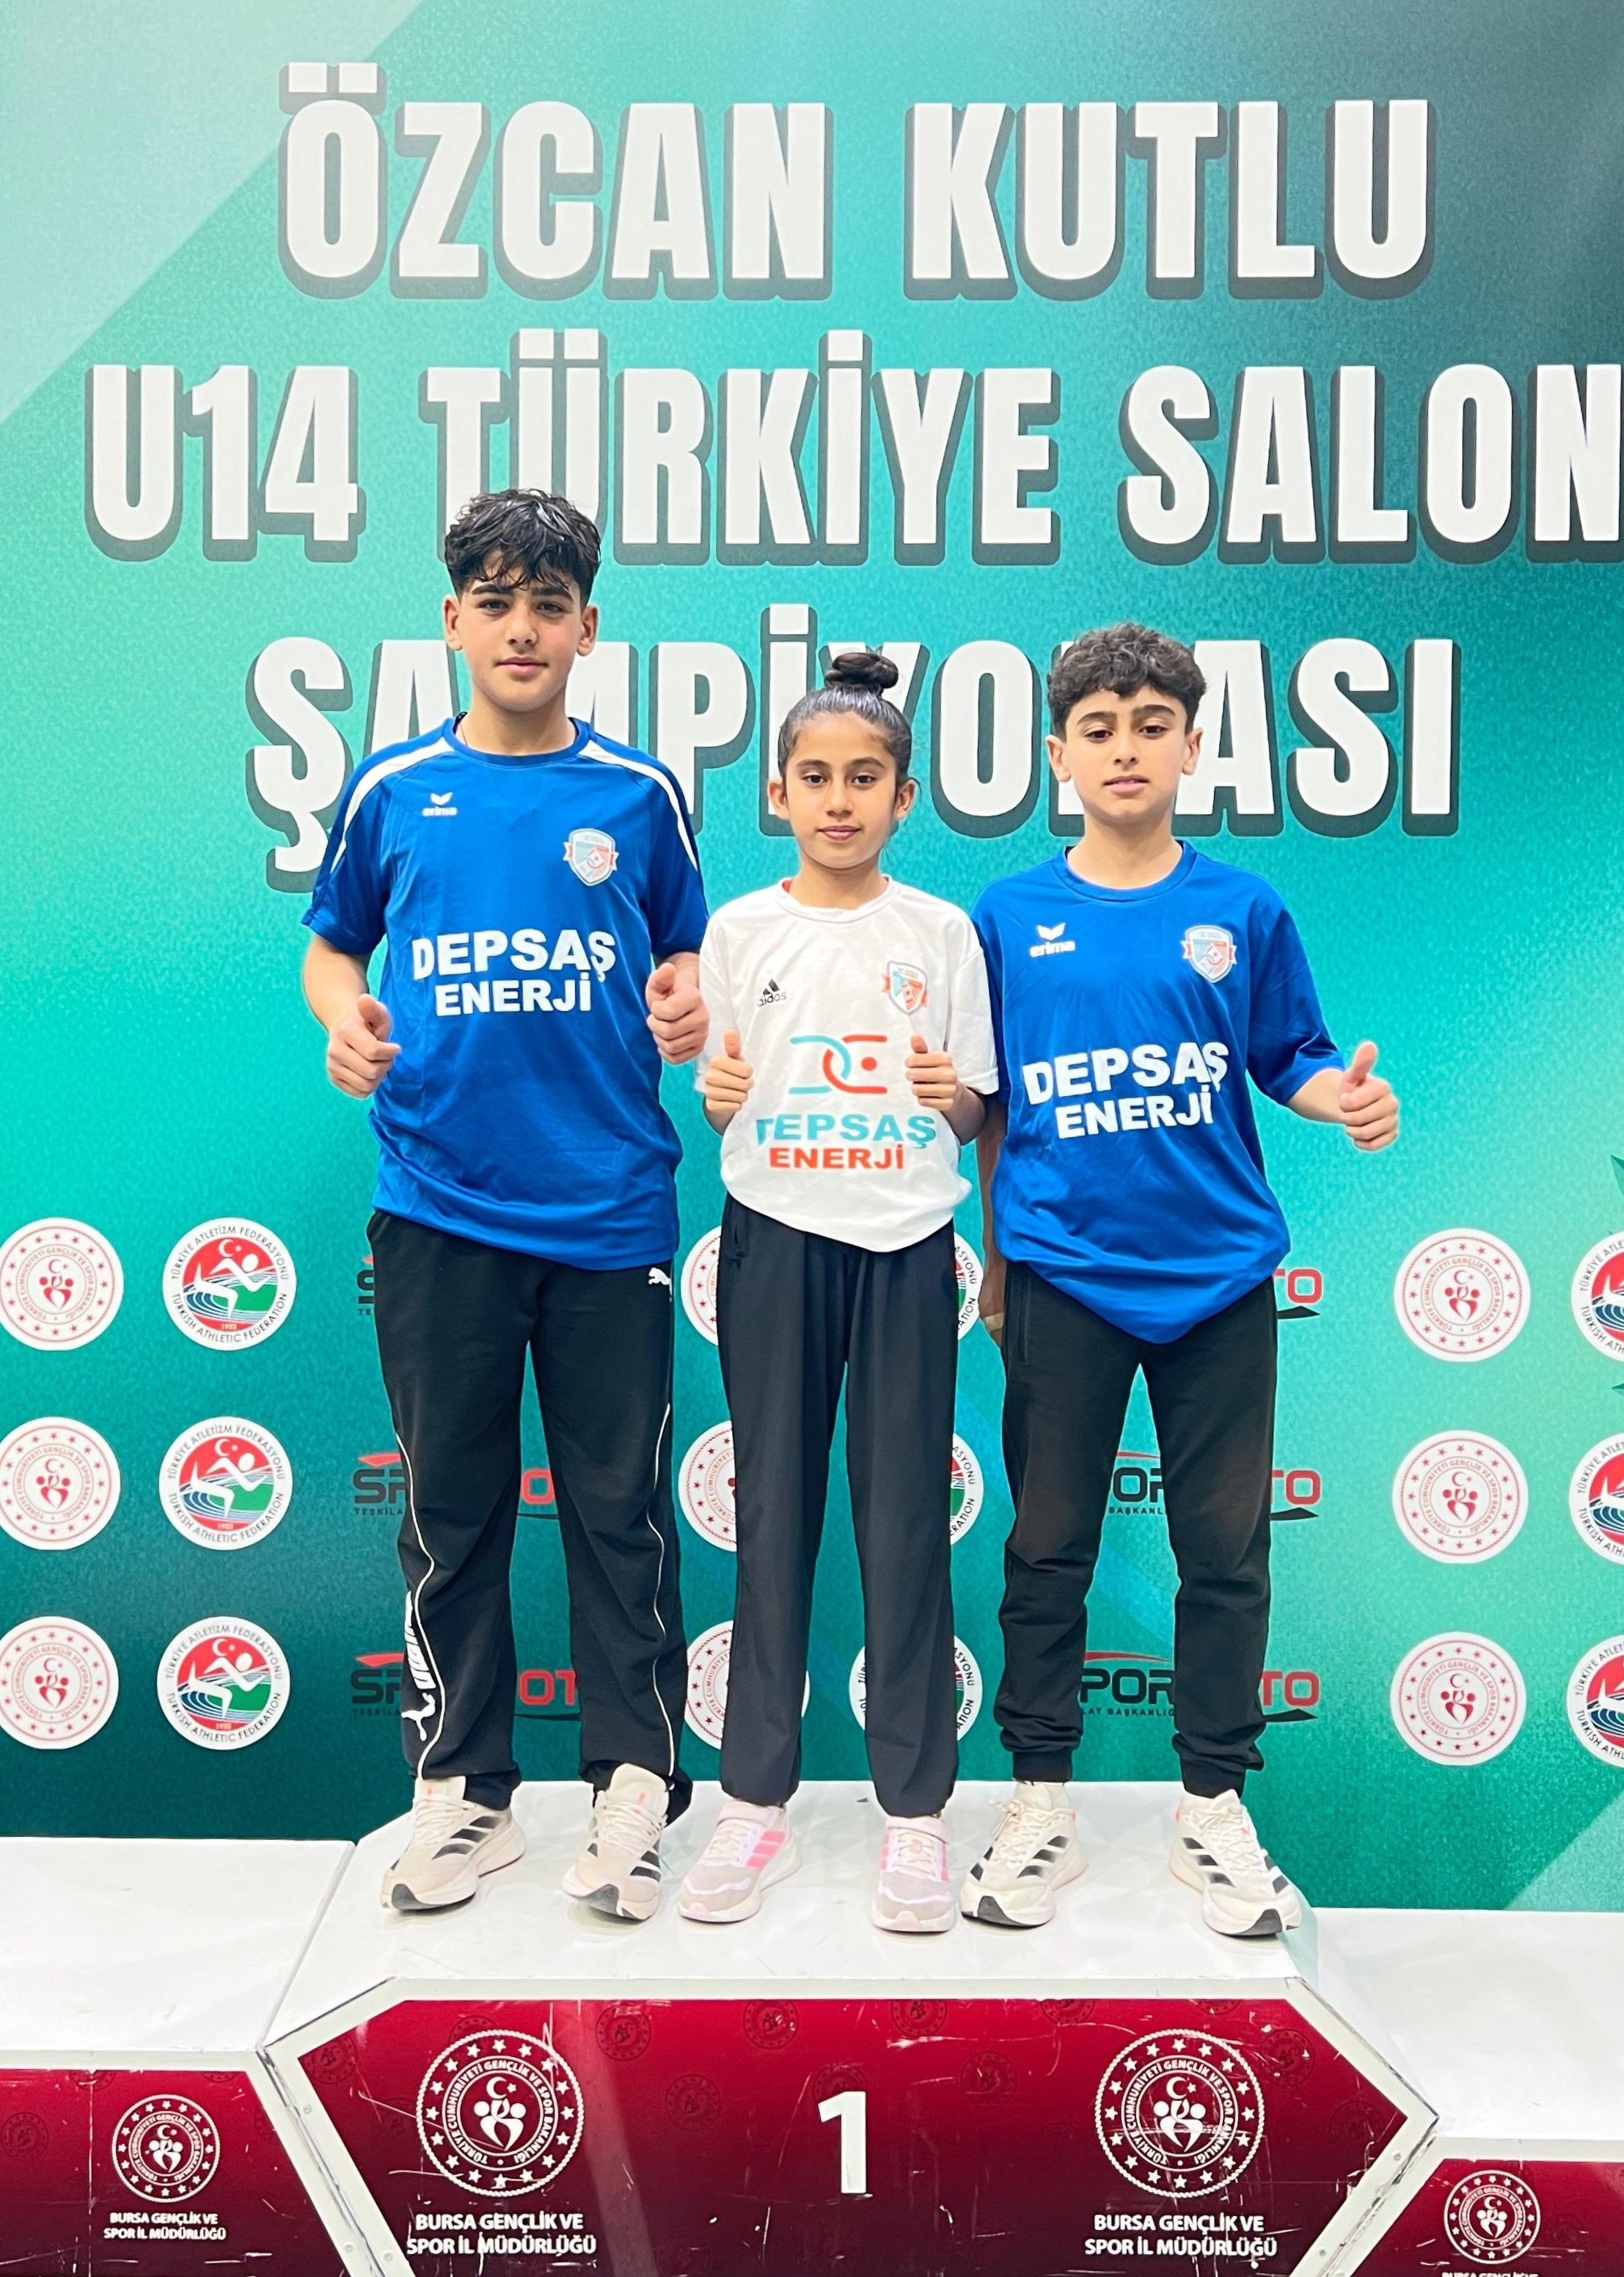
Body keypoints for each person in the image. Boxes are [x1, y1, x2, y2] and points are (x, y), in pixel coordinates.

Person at [301, 488, 709, 1922]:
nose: (521, 627)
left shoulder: (641, 796)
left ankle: (632, 1790)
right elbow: (333, 948)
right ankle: (464, 1788)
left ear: (588, 628)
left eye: (549, 604)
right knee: (452, 1512)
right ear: (452, 621)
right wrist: (344, 1018)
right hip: (437, 1209)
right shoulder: (392, 790)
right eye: (495, 602)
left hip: (607, 1215)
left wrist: (685, 1001)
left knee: (619, 1516)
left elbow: (685, 958)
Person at [962, 623, 1398, 1936]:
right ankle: (1038, 1801)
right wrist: (997, 1265)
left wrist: (1340, 1101)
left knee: (1222, 1553)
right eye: (1097, 730)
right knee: (1047, 1548)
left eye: (1151, 726)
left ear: (1192, 746)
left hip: (1215, 1280)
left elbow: (1291, 1056)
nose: (1125, 750)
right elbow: (988, 1107)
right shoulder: (1006, 917)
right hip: (1062, 1276)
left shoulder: (1242, 910)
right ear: (1057, 754)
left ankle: (1212, 1807)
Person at [678, 652, 998, 1934]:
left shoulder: (941, 932)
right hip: (774, 1238)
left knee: (905, 1526)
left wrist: (951, 1097)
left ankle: (914, 1817)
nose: (838, 800)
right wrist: (714, 1098)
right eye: (814, 777)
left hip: (906, 1243)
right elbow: (722, 1095)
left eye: (864, 778)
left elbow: (973, 1106)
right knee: (773, 1523)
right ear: (778, 793)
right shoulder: (738, 931)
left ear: (903, 797)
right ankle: (753, 1803)